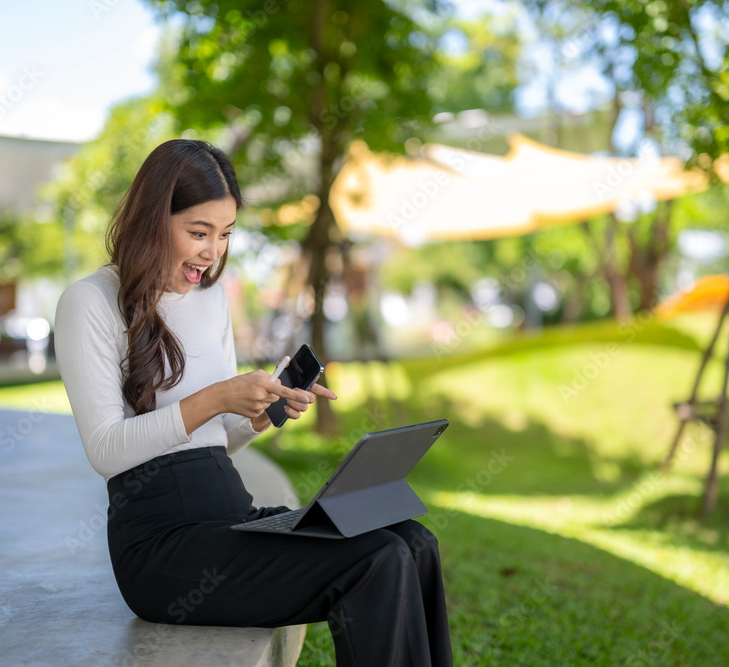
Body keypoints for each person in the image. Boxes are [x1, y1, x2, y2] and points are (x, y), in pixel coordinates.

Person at [53, 139, 453, 666]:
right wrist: (219, 396)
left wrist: (263, 413)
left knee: (414, 541)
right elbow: (105, 449)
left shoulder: (211, 299)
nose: (211, 252)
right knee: (375, 560)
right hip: (161, 549)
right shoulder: (90, 301)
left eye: (224, 235)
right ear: (152, 220)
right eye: (198, 232)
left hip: (231, 517)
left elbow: (215, 439)